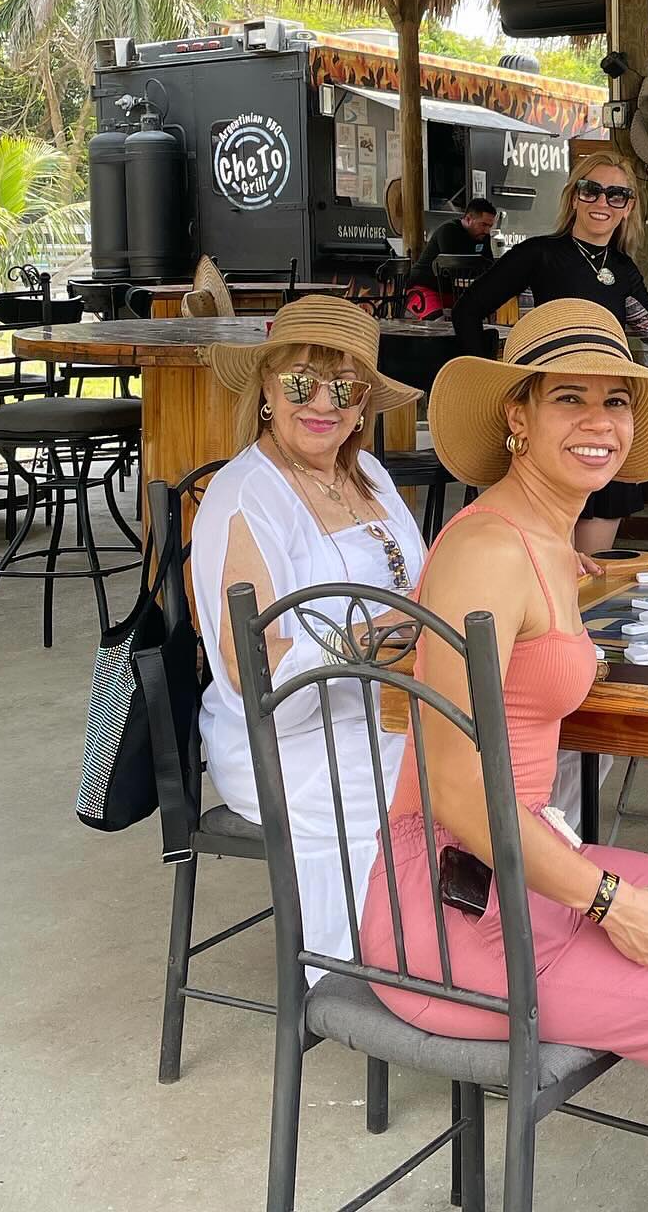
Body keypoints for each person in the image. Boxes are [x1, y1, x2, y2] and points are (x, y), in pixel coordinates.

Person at [361, 300, 648, 1212]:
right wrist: (612, 903)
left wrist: (602, 580)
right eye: (570, 398)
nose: (601, 423)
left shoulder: (546, 538)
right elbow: (454, 789)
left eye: (617, 401)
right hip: (451, 902)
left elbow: (551, 610)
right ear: (516, 417)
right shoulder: (489, 549)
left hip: (522, 863)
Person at [194, 297, 427, 967]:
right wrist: (373, 635)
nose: (323, 402)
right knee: (448, 786)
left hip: (383, 706)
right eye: (302, 382)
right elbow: (252, 668)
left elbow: (418, 583)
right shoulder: (247, 495)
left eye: (346, 387)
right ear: (267, 388)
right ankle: (368, 973)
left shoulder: (367, 474)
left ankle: (475, 950)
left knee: (521, 752)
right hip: (285, 737)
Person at [451, 151, 648, 553]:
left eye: (616, 195)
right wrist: (494, 376)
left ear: (628, 208)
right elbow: (468, 310)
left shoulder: (622, 268)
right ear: (574, 197)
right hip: (552, 411)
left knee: (593, 569)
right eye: (592, 191)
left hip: (602, 413)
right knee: (543, 558)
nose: (603, 202)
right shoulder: (540, 253)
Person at [405, 195, 497, 319]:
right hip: (426, 288)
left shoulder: (483, 236)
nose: (487, 231)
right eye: (483, 225)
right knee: (438, 320)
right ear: (468, 219)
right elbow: (452, 266)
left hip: (453, 292)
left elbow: (488, 265)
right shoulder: (448, 231)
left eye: (489, 226)